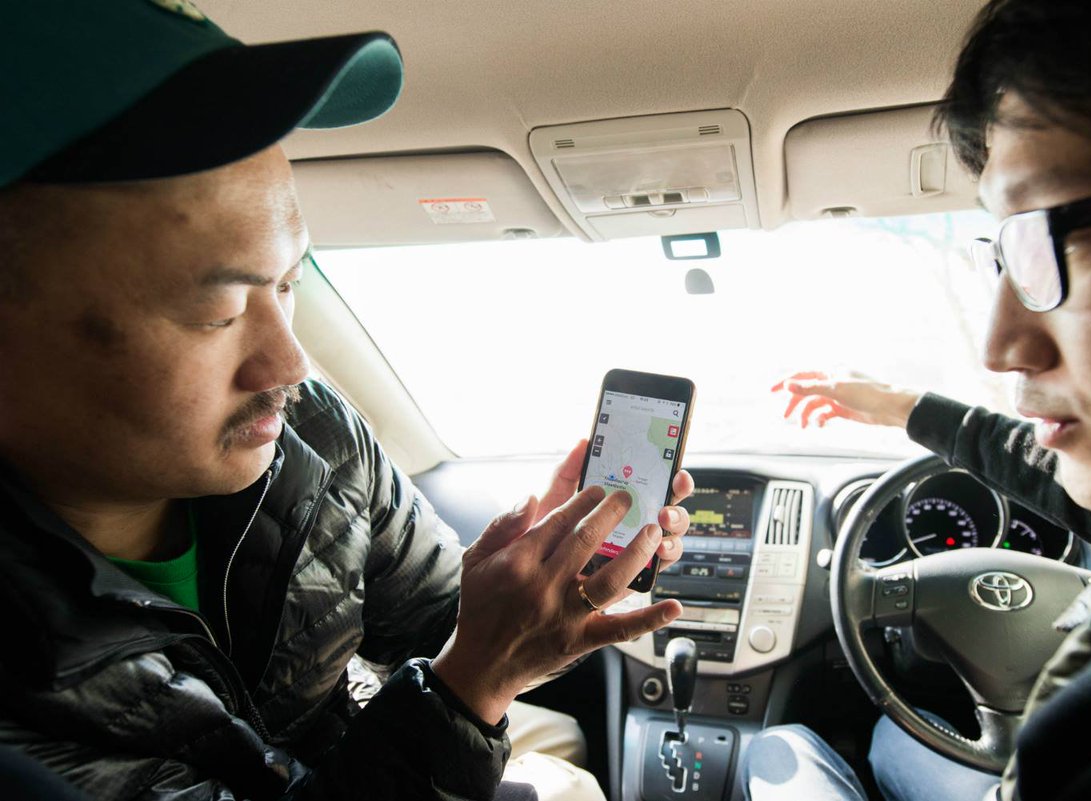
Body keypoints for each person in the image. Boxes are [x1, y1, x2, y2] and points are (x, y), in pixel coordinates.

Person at [0, 3, 694, 800]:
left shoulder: (311, 436)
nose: (291, 363)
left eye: (288, 283)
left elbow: (442, 621)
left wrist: (536, 583)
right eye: (216, 313)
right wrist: (474, 683)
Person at [743, 1, 1091, 799]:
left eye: (1051, 237)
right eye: (1005, 251)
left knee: (779, 753)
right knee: (894, 735)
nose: (999, 346)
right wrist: (903, 408)